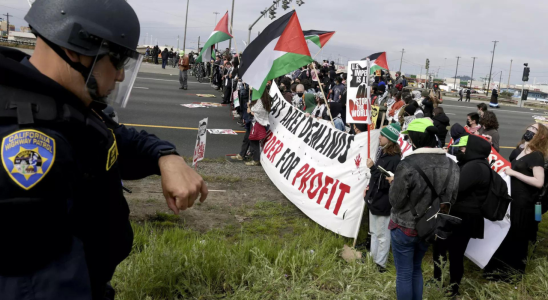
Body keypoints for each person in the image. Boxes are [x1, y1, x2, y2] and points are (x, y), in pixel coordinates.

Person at [0, 0, 208, 299]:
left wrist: (167, 156)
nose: (121, 75)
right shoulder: (27, 141)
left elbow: (114, 139)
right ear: (75, 50)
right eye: (118, 60)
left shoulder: (60, 103)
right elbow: (38, 286)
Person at [388, 118, 459, 300]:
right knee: (416, 269)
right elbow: (451, 199)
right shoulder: (452, 164)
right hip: (430, 227)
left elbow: (395, 201)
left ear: (413, 140)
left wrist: (393, 183)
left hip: (404, 226)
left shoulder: (407, 164)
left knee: (404, 273)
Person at [485, 123, 547, 280]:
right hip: (513, 198)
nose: (529, 131)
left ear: (541, 136)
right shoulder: (522, 151)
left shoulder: (536, 156)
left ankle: (511, 272)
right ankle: (498, 268)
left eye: (534, 130)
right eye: (530, 128)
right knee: (506, 234)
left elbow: (539, 182)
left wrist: (513, 173)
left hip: (523, 202)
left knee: (516, 236)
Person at [434, 135, 491, 297]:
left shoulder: (475, 167)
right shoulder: (473, 164)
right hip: (458, 215)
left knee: (455, 254)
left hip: (462, 218)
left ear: (474, 149)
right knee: (441, 249)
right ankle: (439, 280)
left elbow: (455, 188)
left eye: (464, 148)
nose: (460, 150)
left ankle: (453, 287)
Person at [365, 123, 401, 272]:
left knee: (382, 235)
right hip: (375, 199)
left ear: (390, 140)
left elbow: (387, 183)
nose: (379, 137)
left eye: (382, 135)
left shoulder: (394, 160)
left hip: (384, 202)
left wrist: (372, 168)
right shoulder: (383, 153)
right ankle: (372, 259)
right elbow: (377, 179)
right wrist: (368, 190)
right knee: (374, 232)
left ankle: (380, 264)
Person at [246, 91, 271, 166]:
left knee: (253, 140)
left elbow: (254, 110)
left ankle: (256, 159)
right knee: (254, 140)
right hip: (262, 122)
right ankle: (255, 157)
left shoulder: (260, 101)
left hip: (259, 122)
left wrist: (249, 106)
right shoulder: (267, 100)